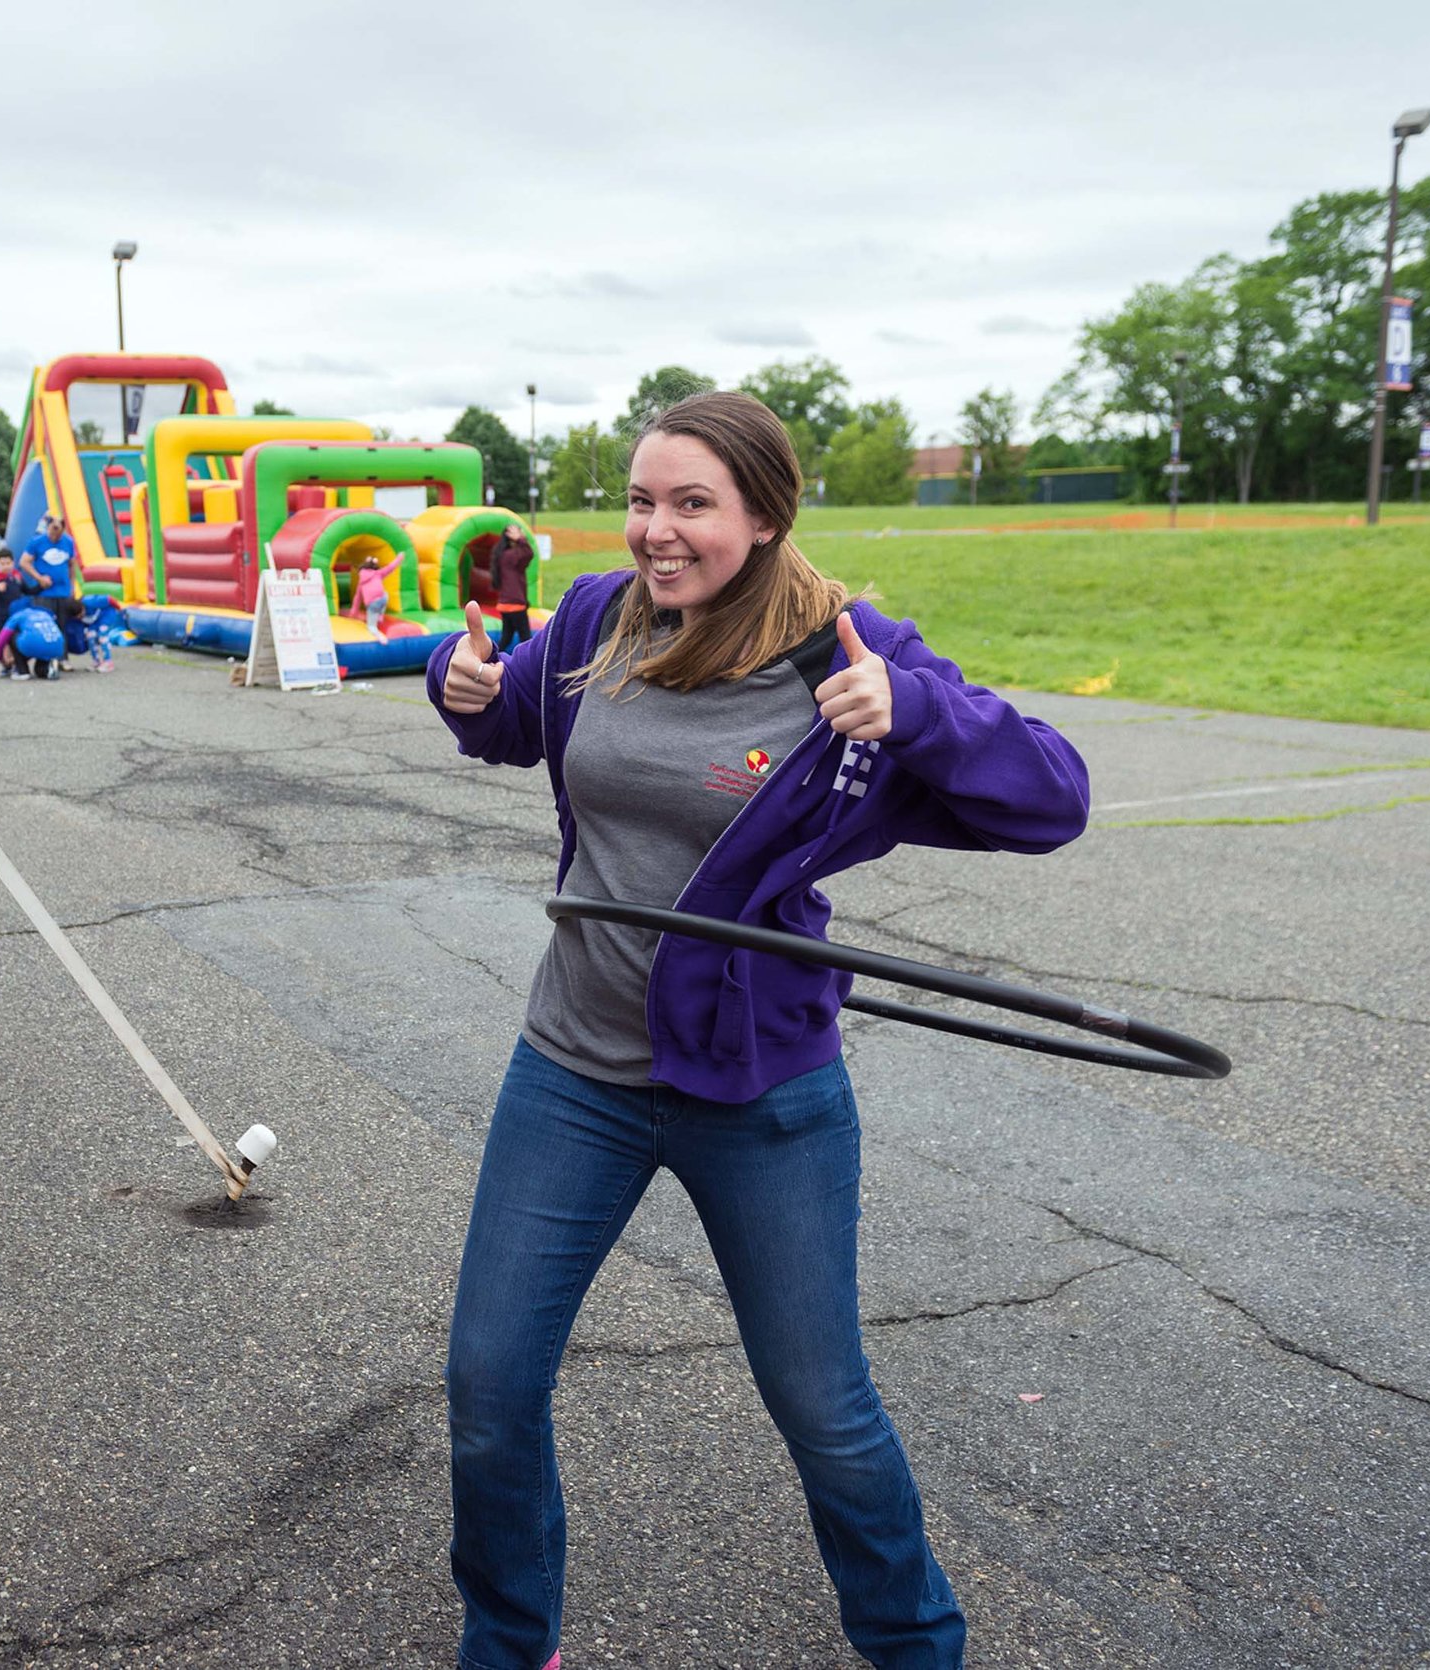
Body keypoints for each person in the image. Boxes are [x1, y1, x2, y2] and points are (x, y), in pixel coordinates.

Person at [428, 392, 1089, 1669]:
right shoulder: (592, 620)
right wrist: (468, 691)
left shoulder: (839, 650)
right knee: (487, 1386)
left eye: (691, 505)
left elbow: (1052, 797)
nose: (654, 532)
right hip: (571, 1069)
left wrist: (920, 714)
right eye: (639, 500)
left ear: (768, 515)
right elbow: (515, 723)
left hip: (760, 1089)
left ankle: (916, 1650)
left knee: (823, 1411)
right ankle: (508, 1643)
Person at [0, 547, 48, 678]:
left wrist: (40, 586)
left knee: (15, 641)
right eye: (2, 564)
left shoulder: (16, 576)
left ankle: (17, 664)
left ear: (13, 563)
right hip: (1, 616)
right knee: (2, 642)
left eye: (8, 563)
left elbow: (27, 591)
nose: (5, 566)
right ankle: (5, 665)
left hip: (16, 616)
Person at [492, 524, 537, 653]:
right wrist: (520, 539)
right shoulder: (510, 555)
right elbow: (529, 552)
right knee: (526, 638)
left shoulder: (507, 555)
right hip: (514, 604)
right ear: (510, 537)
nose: (522, 534)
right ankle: (530, 665)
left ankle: (493, 658)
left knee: (507, 637)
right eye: (517, 532)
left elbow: (526, 556)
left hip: (506, 604)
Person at [23, 514, 77, 601]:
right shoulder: (37, 541)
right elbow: (24, 562)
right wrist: (39, 578)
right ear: (48, 527)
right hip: (44, 592)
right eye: (53, 530)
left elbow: (72, 565)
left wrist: (72, 587)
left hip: (64, 592)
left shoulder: (68, 542)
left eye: (58, 532)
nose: (54, 535)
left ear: (62, 530)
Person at [355, 548, 403, 635]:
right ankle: (380, 615)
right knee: (385, 594)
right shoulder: (378, 573)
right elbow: (390, 567)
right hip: (382, 599)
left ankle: (378, 634)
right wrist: (399, 558)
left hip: (372, 604)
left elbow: (357, 598)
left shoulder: (361, 581)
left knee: (371, 626)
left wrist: (354, 612)